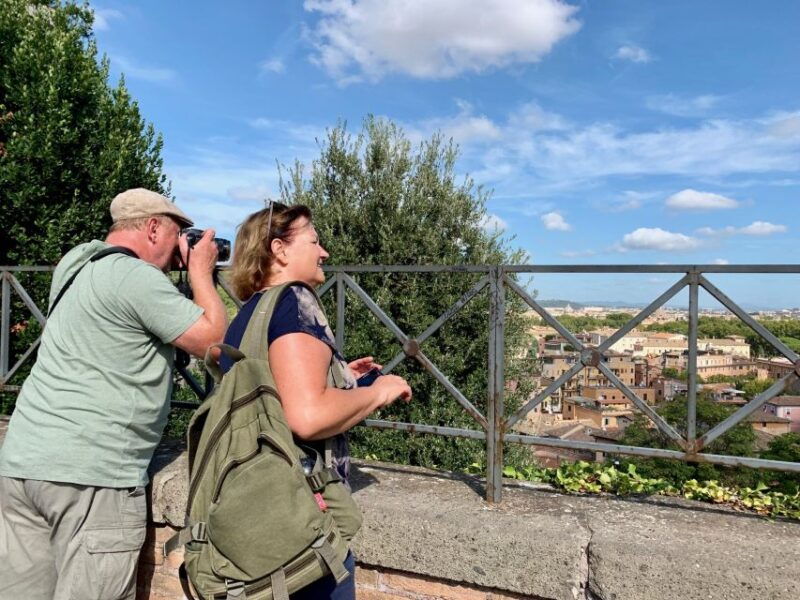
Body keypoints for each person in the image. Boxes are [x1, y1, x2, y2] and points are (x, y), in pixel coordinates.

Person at [0, 188, 228, 600]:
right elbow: (215, 342)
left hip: (23, 462)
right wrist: (199, 275)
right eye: (180, 233)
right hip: (92, 475)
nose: (183, 246)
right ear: (154, 227)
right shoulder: (135, 278)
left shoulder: (76, 261)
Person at [222, 202, 412, 600]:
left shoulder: (249, 315)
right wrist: (376, 392)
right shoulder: (295, 300)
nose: (323, 251)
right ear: (280, 250)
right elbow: (305, 417)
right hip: (302, 525)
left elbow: (275, 392)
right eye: (314, 240)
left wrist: (342, 377)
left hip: (254, 514)